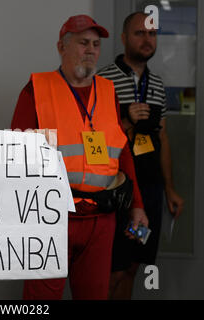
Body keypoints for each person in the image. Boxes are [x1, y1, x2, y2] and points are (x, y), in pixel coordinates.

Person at [11, 14, 148, 300]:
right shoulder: (36, 88)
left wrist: (137, 205)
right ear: (62, 47)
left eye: (96, 44)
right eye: (84, 42)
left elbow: (122, 152)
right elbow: (17, 156)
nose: (91, 50)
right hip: (51, 217)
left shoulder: (108, 92)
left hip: (101, 218)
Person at [98, 12, 184, 299]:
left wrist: (169, 188)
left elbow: (162, 137)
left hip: (149, 189)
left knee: (134, 266)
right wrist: (126, 122)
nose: (147, 39)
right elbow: (94, 139)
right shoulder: (103, 81)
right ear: (124, 39)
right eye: (139, 33)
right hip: (117, 191)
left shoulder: (157, 84)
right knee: (113, 270)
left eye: (152, 34)